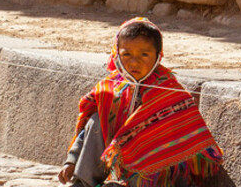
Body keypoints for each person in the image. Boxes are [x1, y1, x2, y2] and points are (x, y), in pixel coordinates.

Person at [59, 18, 223, 187]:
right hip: (110, 166)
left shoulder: (168, 90)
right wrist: (71, 161)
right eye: (127, 54)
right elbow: (86, 131)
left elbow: (186, 130)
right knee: (97, 119)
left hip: (153, 173)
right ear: (117, 54)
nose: (134, 62)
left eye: (144, 55)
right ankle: (84, 182)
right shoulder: (109, 87)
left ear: (158, 56)